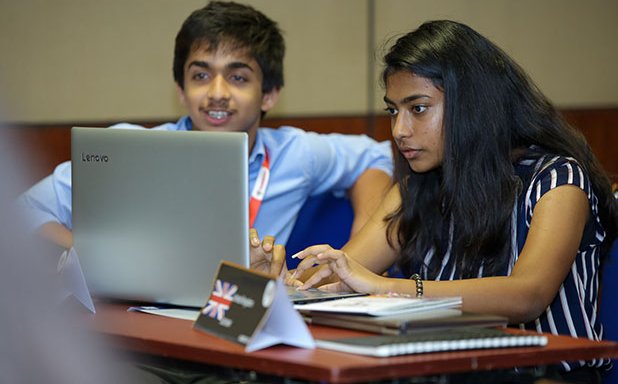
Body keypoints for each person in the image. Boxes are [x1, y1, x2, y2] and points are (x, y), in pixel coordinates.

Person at [291, 20, 618, 382]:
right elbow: (341, 274)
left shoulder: (557, 179)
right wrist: (278, 281)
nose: (399, 130)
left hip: (545, 375)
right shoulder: (418, 183)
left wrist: (389, 288)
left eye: (417, 109)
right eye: (393, 111)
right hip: (448, 371)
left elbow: (527, 295)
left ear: (472, 106)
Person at [18, 1, 393, 272]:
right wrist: (95, 259)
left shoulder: (296, 153)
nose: (216, 92)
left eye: (238, 76)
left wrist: (359, 247)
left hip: (238, 324)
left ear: (270, 94)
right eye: (200, 75)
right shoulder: (132, 150)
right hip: (143, 321)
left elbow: (378, 156)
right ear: (181, 90)